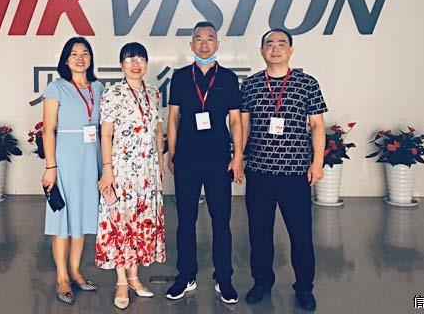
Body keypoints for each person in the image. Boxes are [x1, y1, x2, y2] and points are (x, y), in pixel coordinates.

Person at [240, 28, 327, 311]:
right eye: (269, 44)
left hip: (295, 173)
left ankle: (304, 287)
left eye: (281, 44)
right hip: (259, 171)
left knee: (300, 234)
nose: (275, 48)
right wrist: (238, 157)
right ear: (261, 50)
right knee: (259, 233)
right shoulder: (251, 85)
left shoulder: (307, 83)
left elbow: (317, 125)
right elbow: (243, 125)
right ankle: (262, 281)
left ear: (291, 49)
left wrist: (317, 162)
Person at [165, 21, 243, 304]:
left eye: (210, 38)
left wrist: (237, 156)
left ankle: (224, 278)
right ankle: (186, 275)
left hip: (218, 158)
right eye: (198, 38)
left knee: (221, 220)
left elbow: (236, 120)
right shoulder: (180, 77)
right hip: (186, 158)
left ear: (217, 44)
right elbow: (173, 117)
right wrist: (172, 154)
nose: (204, 43)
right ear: (191, 44)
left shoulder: (229, 79)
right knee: (185, 220)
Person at [96, 42, 166, 310]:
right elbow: (106, 134)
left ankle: (135, 278)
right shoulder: (113, 93)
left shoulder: (153, 92)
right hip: (122, 169)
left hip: (147, 171)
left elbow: (157, 130)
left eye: (140, 59)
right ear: (121, 64)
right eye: (129, 59)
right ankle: (122, 282)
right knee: (121, 222)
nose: (136, 64)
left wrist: (160, 163)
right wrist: (107, 168)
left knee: (141, 222)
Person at [41, 36, 104, 304]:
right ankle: (62, 277)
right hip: (66, 158)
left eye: (85, 53)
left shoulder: (99, 87)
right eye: (74, 53)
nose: (80, 58)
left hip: (91, 158)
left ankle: (76, 271)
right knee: (63, 219)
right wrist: (50, 167)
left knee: (82, 217)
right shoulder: (56, 87)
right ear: (66, 60)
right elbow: (48, 129)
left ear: (91, 58)